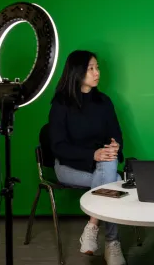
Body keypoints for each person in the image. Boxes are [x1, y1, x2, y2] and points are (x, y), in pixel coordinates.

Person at [48, 50, 126, 265]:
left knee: (109, 163)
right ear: (77, 71)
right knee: (114, 180)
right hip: (68, 168)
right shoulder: (61, 104)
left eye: (97, 67)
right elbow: (58, 147)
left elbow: (116, 135)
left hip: (100, 167)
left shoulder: (104, 102)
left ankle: (93, 226)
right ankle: (112, 243)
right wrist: (93, 154)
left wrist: (115, 146)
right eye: (91, 68)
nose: (96, 72)